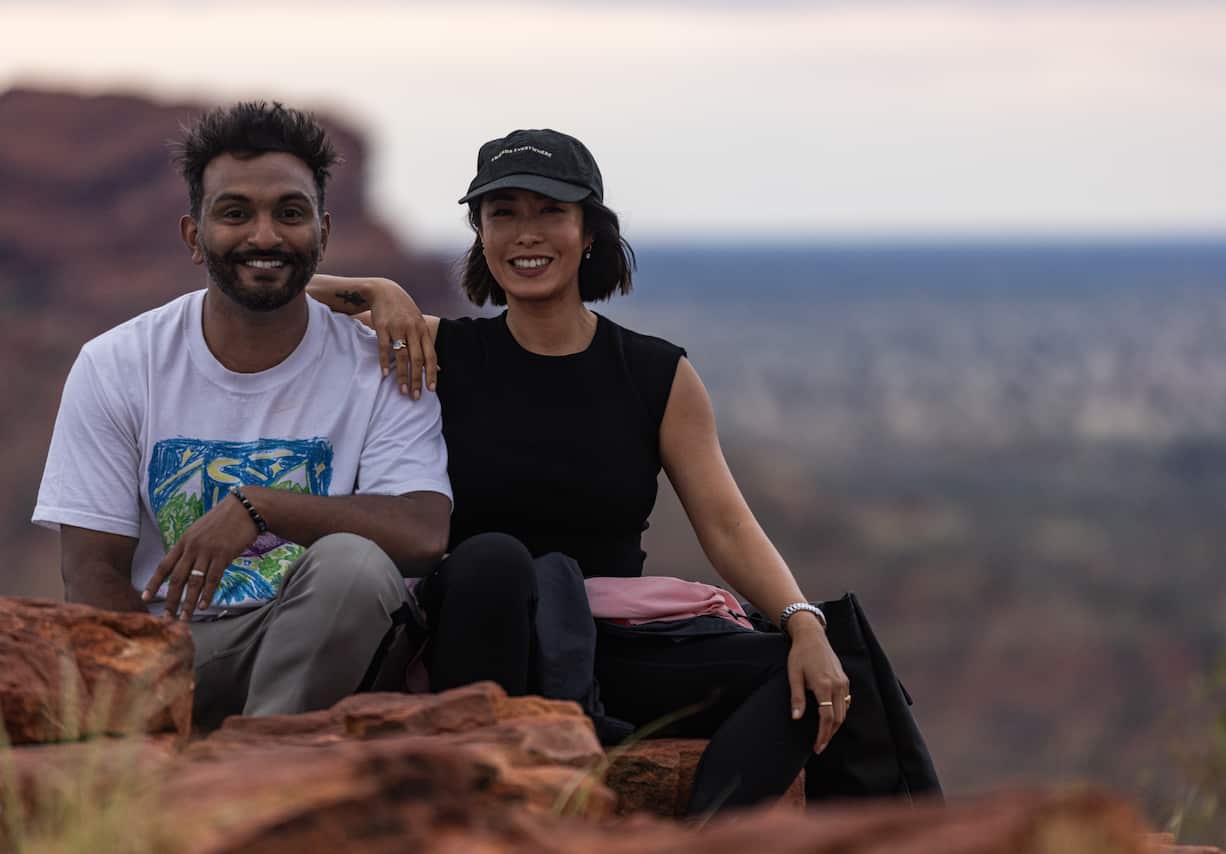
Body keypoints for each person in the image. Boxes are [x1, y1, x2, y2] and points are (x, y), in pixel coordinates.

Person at [308, 128, 937, 811]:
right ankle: (492, 803)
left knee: (814, 677)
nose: (527, 234)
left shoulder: (655, 373)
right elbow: (261, 304)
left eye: (551, 211)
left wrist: (804, 623)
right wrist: (369, 287)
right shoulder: (436, 350)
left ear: (589, 231)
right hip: (479, 637)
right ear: (480, 234)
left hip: (603, 642)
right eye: (504, 213)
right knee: (495, 560)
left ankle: (696, 833)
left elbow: (726, 524)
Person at [32, 102, 453, 731]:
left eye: (290, 213)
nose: (264, 236)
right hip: (171, 652)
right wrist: (139, 707)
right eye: (235, 214)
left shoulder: (382, 364)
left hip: (322, 641)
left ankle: (257, 768)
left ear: (324, 233)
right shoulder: (119, 362)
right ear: (193, 237)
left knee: (353, 566)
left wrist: (262, 506)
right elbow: (93, 570)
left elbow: (424, 533)